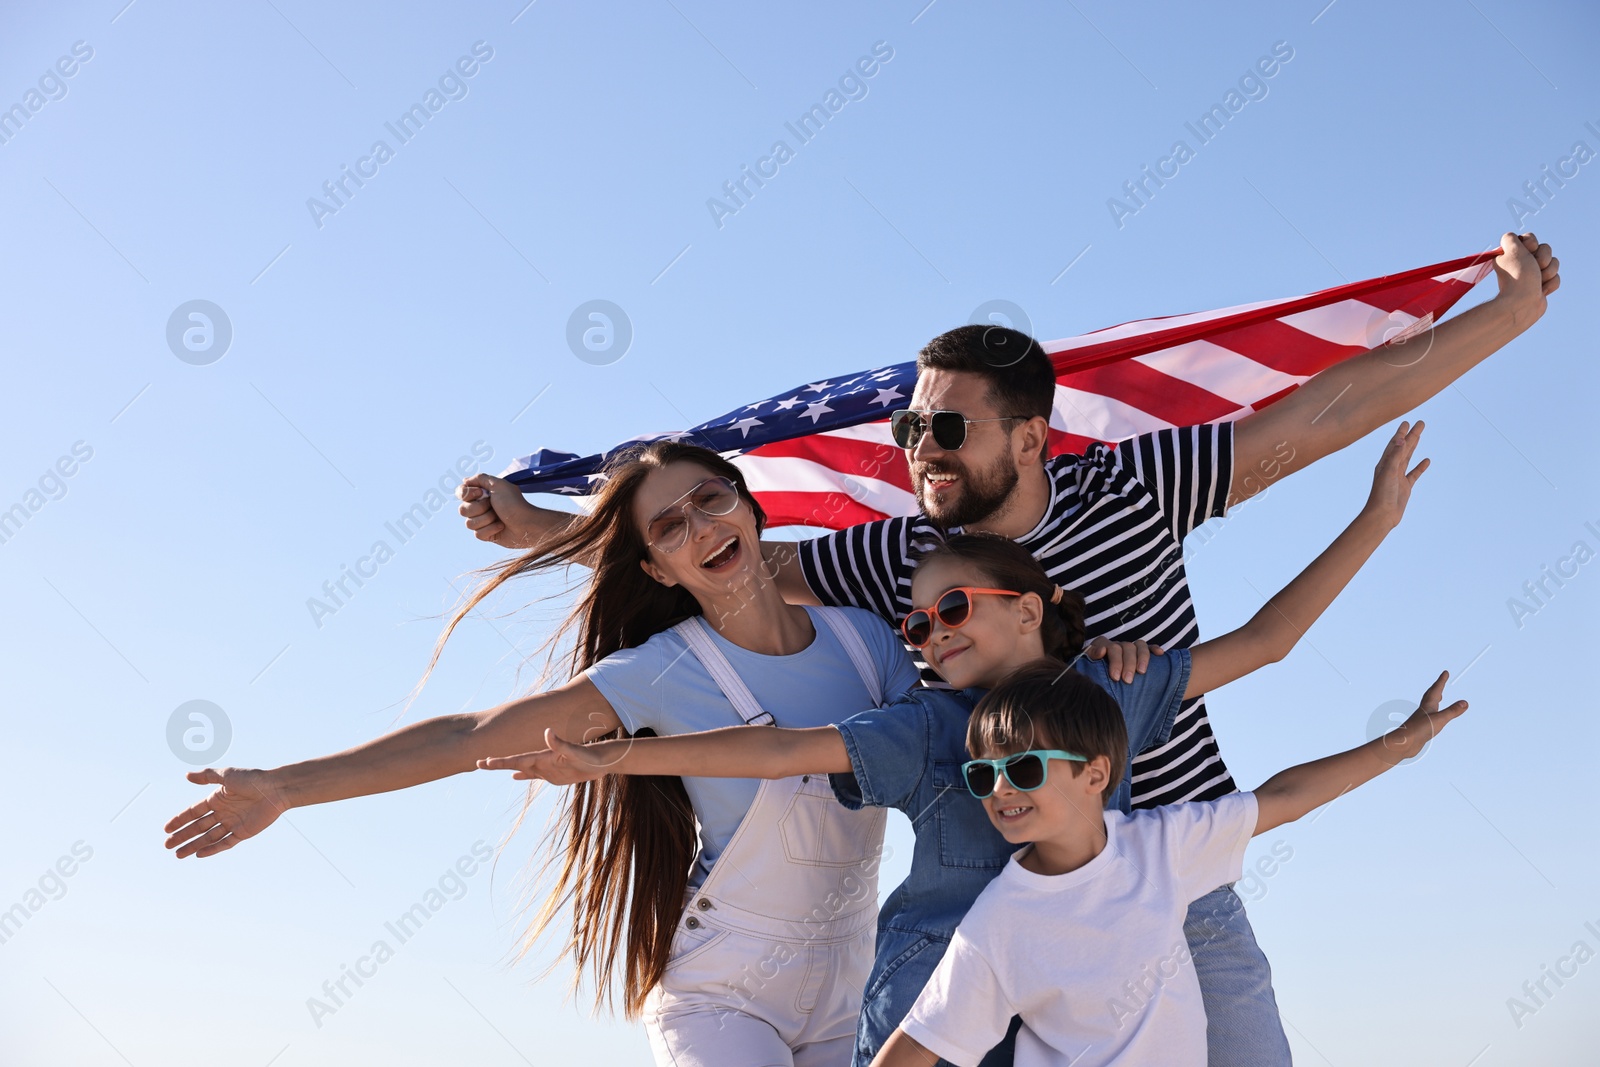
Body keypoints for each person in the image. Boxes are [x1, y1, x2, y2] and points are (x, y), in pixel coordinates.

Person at [458, 232, 1555, 1065]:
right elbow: (733, 563)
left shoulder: (1132, 484)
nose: (917, 448)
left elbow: (1323, 416)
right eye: (908, 428)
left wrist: (1502, 318)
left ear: (1029, 435)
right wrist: (555, 535)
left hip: (1176, 870)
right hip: (1018, 903)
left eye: (946, 427)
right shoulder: (903, 555)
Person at [484, 420, 1428, 1065]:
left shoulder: (1115, 692)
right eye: (915, 629)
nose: (929, 636)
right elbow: (783, 749)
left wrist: (1377, 519)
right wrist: (617, 757)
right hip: (935, 977)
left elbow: (1265, 644)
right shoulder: (933, 727)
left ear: (1029, 607)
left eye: (950, 610)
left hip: (1061, 987)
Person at [167, 440, 1027, 1067]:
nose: (700, 527)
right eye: (670, 527)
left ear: (751, 504)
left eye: (712, 501)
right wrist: (282, 786)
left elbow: (968, 725)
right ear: (655, 567)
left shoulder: (870, 641)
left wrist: (1126, 671)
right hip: (725, 994)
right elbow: (467, 734)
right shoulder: (658, 671)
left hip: (853, 984)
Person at [868, 662, 1467, 1067]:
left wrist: (1403, 743)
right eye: (982, 775)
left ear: (1095, 773)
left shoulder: (1161, 846)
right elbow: (921, 1043)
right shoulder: (999, 920)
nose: (999, 790)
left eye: (1022, 768)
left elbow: (1284, 798)